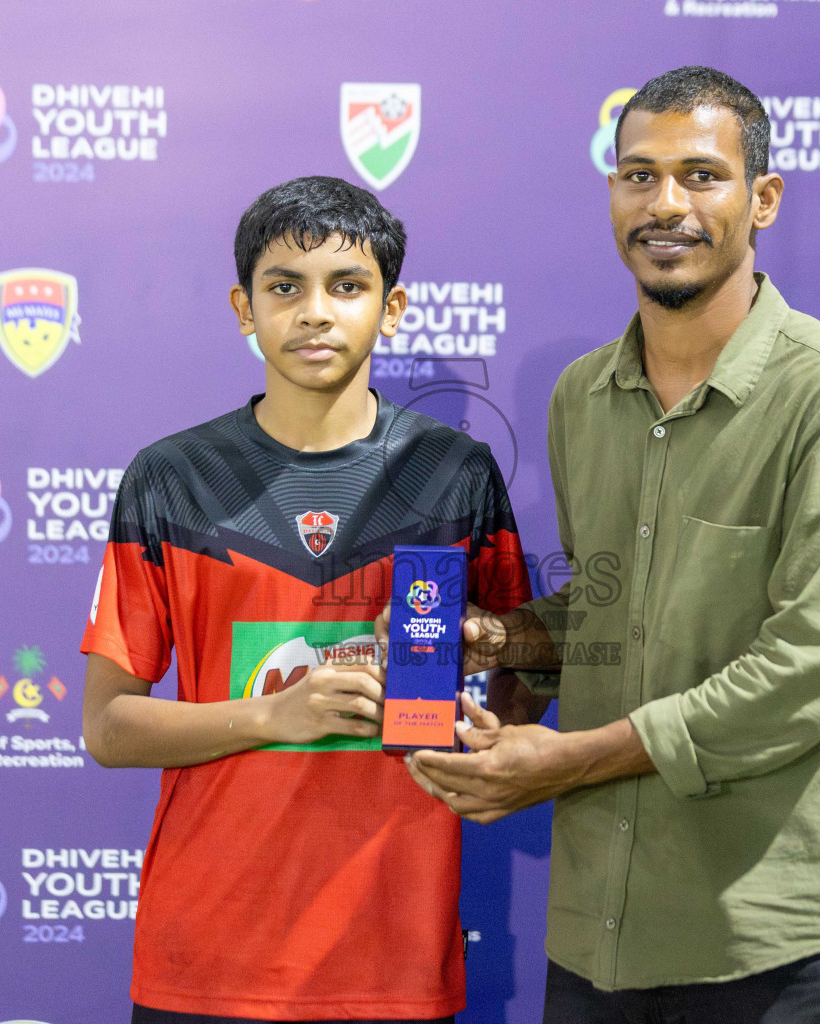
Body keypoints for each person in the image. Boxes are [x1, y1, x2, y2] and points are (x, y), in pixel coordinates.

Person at [396, 67, 820, 1023]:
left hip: (778, 938)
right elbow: (612, 607)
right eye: (638, 175)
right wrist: (504, 642)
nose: (664, 204)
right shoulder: (581, 397)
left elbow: (817, 664)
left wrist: (570, 761)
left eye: (699, 176)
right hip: (599, 935)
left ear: (762, 200)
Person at [81, 176, 532, 1024]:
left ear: (391, 308)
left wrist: (493, 678)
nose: (315, 312)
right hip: (210, 955)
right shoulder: (172, 478)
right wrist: (271, 716)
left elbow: (530, 664)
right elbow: (107, 728)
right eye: (285, 287)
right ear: (244, 308)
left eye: (347, 287)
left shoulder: (453, 472)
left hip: (393, 955)